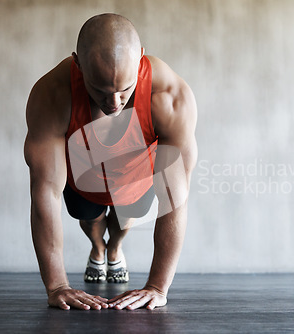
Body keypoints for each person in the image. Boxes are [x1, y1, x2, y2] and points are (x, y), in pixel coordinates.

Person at [24, 13, 197, 311]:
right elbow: (46, 192)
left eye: (125, 90)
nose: (114, 103)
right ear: (77, 66)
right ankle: (98, 246)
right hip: (82, 182)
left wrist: (157, 287)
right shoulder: (53, 95)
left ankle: (113, 249)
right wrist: (57, 286)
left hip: (135, 179)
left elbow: (175, 197)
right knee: (90, 219)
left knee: (123, 221)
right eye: (101, 91)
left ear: (141, 60)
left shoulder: (169, 97)